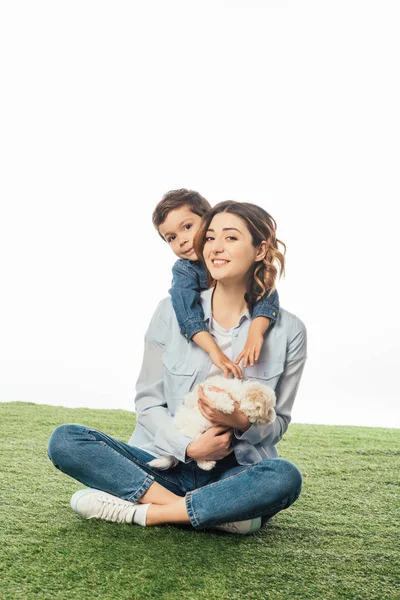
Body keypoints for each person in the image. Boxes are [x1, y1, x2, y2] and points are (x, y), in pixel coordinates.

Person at [47, 200, 307, 535]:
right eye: (210, 237)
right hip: (164, 461)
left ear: (260, 249)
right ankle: (215, 510)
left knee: (285, 477)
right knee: (65, 440)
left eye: (230, 238)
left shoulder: (289, 330)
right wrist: (189, 448)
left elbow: (279, 421)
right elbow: (148, 401)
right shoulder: (170, 312)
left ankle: (145, 511)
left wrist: (239, 423)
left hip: (235, 468)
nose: (214, 247)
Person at [153, 189, 280, 377]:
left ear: (209, 221)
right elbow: (186, 311)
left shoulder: (238, 262)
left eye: (187, 227)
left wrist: (256, 331)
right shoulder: (184, 270)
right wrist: (214, 351)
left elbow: (265, 291)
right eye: (171, 238)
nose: (182, 240)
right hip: (203, 350)